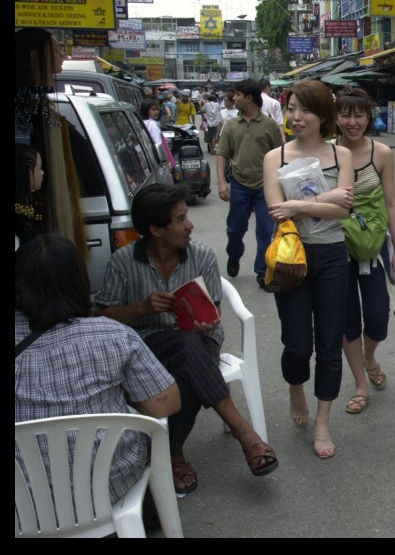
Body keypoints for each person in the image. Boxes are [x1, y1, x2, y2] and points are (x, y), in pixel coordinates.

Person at [95, 183, 278, 495]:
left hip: (199, 341)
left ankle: (174, 452)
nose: (190, 225)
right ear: (155, 229)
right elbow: (103, 317)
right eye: (180, 220)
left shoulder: (201, 255)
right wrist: (141, 308)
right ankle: (245, 434)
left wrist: (206, 322)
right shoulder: (124, 262)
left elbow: (214, 310)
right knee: (185, 353)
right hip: (147, 347)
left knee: (188, 351)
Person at [16, 233, 181, 505]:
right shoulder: (114, 334)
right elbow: (167, 404)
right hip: (109, 487)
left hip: (24, 502)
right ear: (78, 282)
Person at [263, 80, 354, 459]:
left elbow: (344, 210)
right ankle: (296, 386)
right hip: (292, 258)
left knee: (330, 345)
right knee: (298, 344)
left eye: (305, 110)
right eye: (291, 108)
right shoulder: (275, 157)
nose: (296, 117)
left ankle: (322, 420)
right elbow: (275, 210)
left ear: (323, 116)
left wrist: (299, 205)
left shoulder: (341, 155)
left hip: (333, 255)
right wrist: (327, 198)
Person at [334, 86, 395, 415]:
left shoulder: (382, 154)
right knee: (348, 322)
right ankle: (361, 385)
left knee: (377, 318)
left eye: (358, 114)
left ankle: (369, 355)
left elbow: (391, 203)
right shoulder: (328, 153)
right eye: (345, 114)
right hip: (335, 250)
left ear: (368, 117)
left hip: (372, 249)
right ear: (334, 117)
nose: (352, 121)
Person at [216, 79, 282, 290]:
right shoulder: (231, 125)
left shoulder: (270, 124)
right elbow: (222, 154)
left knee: (265, 229)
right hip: (239, 185)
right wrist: (221, 183)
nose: (234, 98)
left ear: (249, 98)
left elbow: (280, 154)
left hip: (266, 185)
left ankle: (263, 273)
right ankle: (234, 255)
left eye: (238, 95)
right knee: (236, 228)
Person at [15, 144, 45, 250]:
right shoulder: (20, 223)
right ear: (26, 173)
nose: (42, 173)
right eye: (39, 169)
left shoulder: (25, 209)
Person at [140, 98, 175, 171]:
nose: (157, 112)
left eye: (157, 109)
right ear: (146, 111)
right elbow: (158, 144)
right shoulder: (152, 124)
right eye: (153, 110)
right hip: (158, 162)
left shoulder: (142, 123)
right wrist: (166, 162)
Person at [260, 78, 286, 143]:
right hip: (271, 133)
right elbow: (279, 122)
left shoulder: (253, 101)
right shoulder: (274, 102)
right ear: (267, 88)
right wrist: (282, 138)